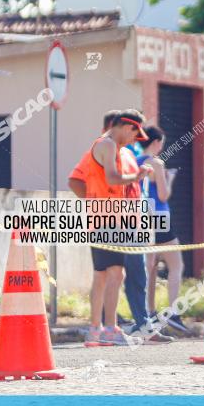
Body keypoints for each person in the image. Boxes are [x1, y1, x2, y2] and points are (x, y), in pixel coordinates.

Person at [69, 109, 153, 346]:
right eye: (135, 134)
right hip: (109, 222)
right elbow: (112, 179)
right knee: (114, 274)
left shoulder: (117, 150)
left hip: (112, 221)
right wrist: (137, 176)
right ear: (128, 127)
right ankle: (107, 329)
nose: (135, 140)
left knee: (103, 275)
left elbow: (81, 180)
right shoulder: (107, 146)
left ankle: (97, 330)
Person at [137, 124, 190, 335]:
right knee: (176, 265)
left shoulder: (134, 161)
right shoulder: (156, 163)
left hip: (142, 217)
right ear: (156, 142)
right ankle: (173, 314)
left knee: (150, 267)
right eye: (161, 143)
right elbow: (163, 195)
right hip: (160, 216)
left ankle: (149, 311)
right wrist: (170, 178)